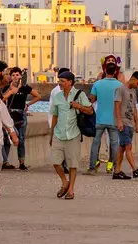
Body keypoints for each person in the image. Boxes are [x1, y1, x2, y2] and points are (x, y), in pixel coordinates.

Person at [46, 67, 93, 200]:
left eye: (63, 81)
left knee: (73, 164)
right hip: (59, 134)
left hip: (73, 134)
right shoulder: (57, 96)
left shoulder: (80, 95)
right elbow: (55, 116)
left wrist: (79, 106)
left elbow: (90, 111)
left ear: (70, 82)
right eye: (59, 81)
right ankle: (64, 182)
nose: (60, 83)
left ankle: (71, 189)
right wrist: (51, 134)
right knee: (55, 162)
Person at [87, 61, 124, 174]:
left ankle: (92, 167)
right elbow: (122, 102)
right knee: (114, 144)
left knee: (96, 143)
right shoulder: (120, 85)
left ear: (105, 71)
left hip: (100, 118)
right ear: (115, 72)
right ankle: (114, 167)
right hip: (113, 119)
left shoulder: (97, 84)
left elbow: (92, 99)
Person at [3, 67, 33, 170]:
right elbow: (3, 98)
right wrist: (11, 91)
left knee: (21, 139)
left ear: (20, 76)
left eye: (17, 75)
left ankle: (22, 163)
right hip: (10, 114)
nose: (15, 77)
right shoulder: (7, 87)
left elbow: (38, 96)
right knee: (8, 137)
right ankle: (5, 161)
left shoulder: (25, 87)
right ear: (11, 77)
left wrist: (28, 105)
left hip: (21, 114)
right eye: (13, 75)